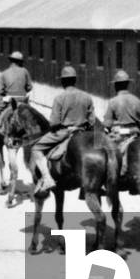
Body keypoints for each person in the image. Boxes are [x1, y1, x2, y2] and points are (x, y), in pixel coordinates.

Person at [29, 65, 96, 194]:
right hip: (82, 132)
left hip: (64, 132)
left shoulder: (59, 98)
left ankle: (47, 179)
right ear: (75, 80)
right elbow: (92, 121)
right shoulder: (87, 97)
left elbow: (54, 123)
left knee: (35, 148)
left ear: (63, 82)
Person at [0, 51, 33, 147]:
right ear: (20, 62)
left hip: (9, 99)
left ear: (11, 61)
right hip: (23, 100)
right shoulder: (25, 71)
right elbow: (29, 87)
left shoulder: (4, 73)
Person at [102, 69, 140, 179]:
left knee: (97, 142)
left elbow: (106, 125)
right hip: (135, 132)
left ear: (116, 85)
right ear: (127, 84)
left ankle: (103, 177)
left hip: (120, 133)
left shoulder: (113, 101)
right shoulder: (137, 100)